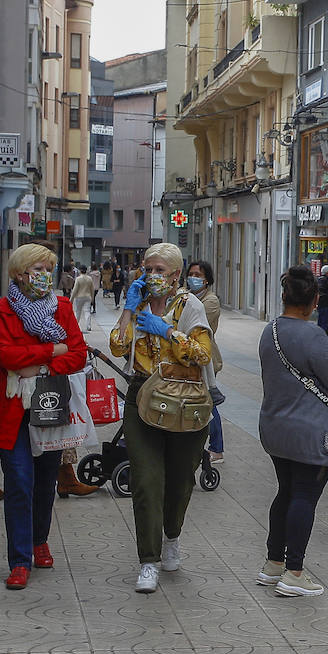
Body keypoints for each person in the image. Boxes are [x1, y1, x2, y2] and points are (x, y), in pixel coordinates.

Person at [0, 244, 89, 591]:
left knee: (45, 479)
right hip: (11, 410)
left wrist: (35, 365)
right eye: (38, 268)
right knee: (19, 482)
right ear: (20, 273)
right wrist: (54, 349)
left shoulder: (62, 308)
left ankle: (40, 540)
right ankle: (19, 560)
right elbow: (6, 355)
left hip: (49, 405)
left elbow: (79, 354)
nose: (44, 275)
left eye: (47, 269)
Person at [110, 243, 216, 594]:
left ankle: (172, 536)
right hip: (142, 397)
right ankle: (148, 560)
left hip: (184, 401)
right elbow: (117, 346)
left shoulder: (191, 306)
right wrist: (128, 309)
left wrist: (166, 330)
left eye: (160, 271)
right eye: (147, 269)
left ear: (175, 276)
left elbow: (202, 354)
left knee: (181, 478)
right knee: (146, 479)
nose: (152, 276)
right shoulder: (138, 303)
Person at [257, 267, 328, 597]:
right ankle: (294, 571)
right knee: (304, 496)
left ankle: (273, 564)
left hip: (274, 428)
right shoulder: (314, 336)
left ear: (284, 296)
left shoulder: (271, 331)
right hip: (309, 432)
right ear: (314, 301)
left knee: (285, 492)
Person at [187, 261, 226, 465]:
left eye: (198, 275)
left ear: (207, 280)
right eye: (191, 274)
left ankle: (217, 448)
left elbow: (189, 322)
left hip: (206, 360)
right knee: (202, 402)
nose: (193, 278)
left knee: (209, 403)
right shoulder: (187, 297)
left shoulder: (211, 302)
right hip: (188, 357)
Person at [316, 265, 328, 331]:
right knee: (324, 321)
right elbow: (321, 291)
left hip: (322, 304)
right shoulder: (323, 280)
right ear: (327, 272)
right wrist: (326, 298)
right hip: (324, 305)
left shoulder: (321, 279)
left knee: (321, 320)